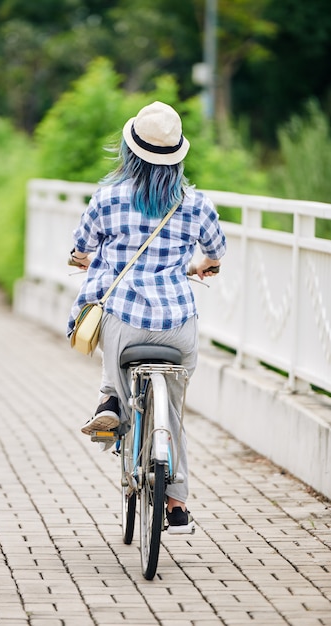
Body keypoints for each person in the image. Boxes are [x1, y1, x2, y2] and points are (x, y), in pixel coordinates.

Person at [67, 101, 226, 533]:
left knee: (112, 331)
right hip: (178, 326)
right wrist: (201, 266)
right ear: (177, 155)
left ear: (130, 149)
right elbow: (215, 251)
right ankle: (176, 505)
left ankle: (112, 402)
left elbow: (82, 246)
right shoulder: (196, 204)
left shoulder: (107, 198)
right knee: (172, 413)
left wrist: (84, 259)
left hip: (126, 321)